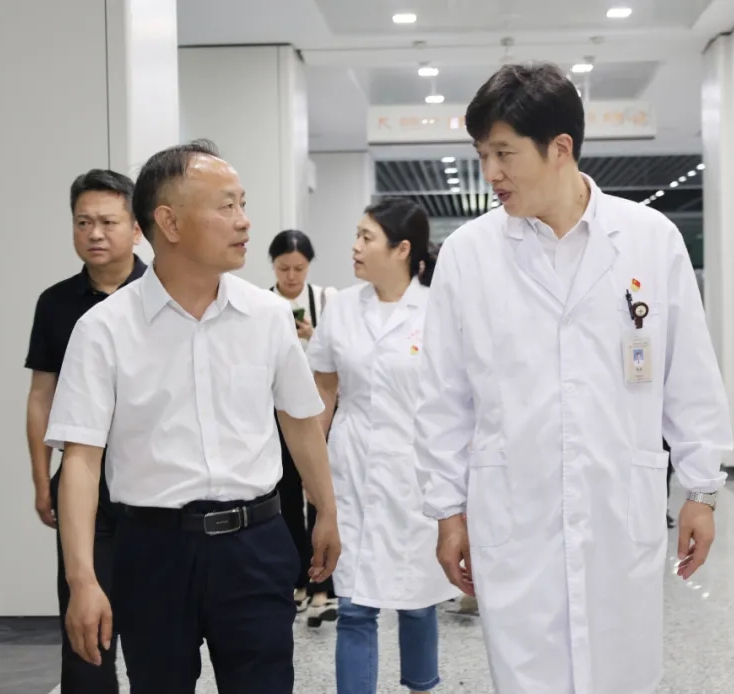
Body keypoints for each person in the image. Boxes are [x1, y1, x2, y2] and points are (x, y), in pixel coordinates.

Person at [415, 64, 733, 694]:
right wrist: (447, 511)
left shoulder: (649, 239)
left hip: (617, 507)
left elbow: (689, 373)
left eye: (503, 153)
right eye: (482, 155)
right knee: (526, 676)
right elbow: (444, 396)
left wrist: (701, 487)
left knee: (622, 672)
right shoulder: (469, 254)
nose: (490, 173)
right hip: (515, 512)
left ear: (560, 148)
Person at [44, 140, 341, 694]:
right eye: (226, 206)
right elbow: (81, 461)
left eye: (242, 203)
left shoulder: (267, 316)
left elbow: (300, 420)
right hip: (152, 550)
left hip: (255, 545)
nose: (244, 220)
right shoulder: (104, 329)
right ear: (170, 222)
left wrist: (327, 508)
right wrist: (82, 579)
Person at [307, 198, 455, 694]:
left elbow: (455, 403)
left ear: (402, 249)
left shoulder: (436, 311)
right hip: (350, 470)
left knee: (416, 601)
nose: (354, 246)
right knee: (353, 605)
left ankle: (421, 685)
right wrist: (314, 473)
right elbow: (324, 392)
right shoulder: (341, 309)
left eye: (366, 237)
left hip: (416, 474)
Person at [25, 168, 146, 693]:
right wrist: (42, 480)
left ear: (137, 228)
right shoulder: (56, 303)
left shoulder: (162, 295)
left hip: (154, 492)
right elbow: (41, 396)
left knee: (155, 636)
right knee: (86, 635)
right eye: (83, 222)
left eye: (107, 222)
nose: (94, 233)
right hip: (84, 490)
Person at [267, 229, 338, 624]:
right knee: (287, 501)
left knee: (321, 498)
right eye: (284, 268)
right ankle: (298, 578)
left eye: (299, 268)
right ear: (273, 266)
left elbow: (336, 357)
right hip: (278, 416)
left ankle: (325, 585)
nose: (291, 276)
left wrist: (313, 336)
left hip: (320, 413)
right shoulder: (263, 305)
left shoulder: (326, 300)